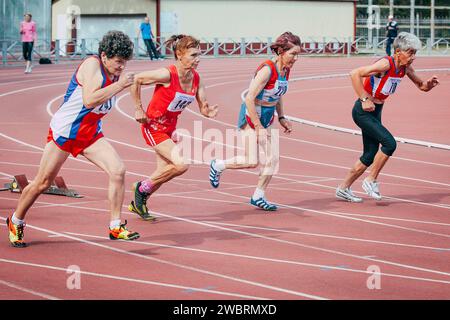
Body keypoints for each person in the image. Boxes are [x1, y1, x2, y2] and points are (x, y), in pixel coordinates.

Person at [6, 31, 140, 248]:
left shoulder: (117, 73)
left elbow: (134, 82)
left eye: (125, 63)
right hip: (66, 132)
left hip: (90, 134)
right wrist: (120, 85)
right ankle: (16, 220)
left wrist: (137, 106)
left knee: (118, 170)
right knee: (43, 182)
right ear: (104, 55)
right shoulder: (92, 66)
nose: (121, 67)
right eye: (118, 62)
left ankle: (115, 226)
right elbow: (89, 100)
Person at [336, 32, 439, 203]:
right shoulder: (385, 64)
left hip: (376, 111)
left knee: (369, 154)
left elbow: (421, 86)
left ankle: (343, 188)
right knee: (389, 143)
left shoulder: (405, 68)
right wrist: (364, 99)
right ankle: (370, 180)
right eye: (411, 53)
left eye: (415, 53)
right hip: (362, 111)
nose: (413, 57)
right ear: (398, 52)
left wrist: (429, 85)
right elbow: (354, 73)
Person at [129, 34, 219, 220]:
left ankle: (139, 202)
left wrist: (207, 111)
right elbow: (136, 79)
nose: (198, 59)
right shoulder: (167, 74)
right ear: (179, 54)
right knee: (181, 165)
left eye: (199, 54)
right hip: (153, 126)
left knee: (164, 172)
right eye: (193, 55)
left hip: (170, 128)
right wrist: (138, 108)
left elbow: (203, 106)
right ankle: (141, 188)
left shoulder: (196, 79)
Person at [209, 32, 301, 211]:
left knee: (272, 160)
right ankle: (218, 165)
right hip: (252, 115)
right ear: (281, 51)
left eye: (298, 55)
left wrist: (282, 117)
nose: (296, 58)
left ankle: (258, 196)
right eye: (293, 54)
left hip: (267, 115)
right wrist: (258, 126)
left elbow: (278, 95)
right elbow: (249, 98)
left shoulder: (286, 69)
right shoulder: (267, 69)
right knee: (251, 161)